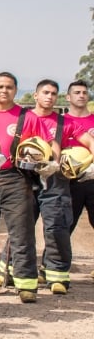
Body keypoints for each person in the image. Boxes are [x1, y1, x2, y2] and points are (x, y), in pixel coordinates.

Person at [0, 72, 54, 303]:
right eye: (0, 86)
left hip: (16, 179)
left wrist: (46, 163)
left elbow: (46, 146)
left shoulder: (28, 118)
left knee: (22, 233)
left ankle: (26, 284)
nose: (4, 91)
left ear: (15, 90)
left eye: (9, 87)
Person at [12, 79, 94, 294]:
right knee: (21, 226)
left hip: (55, 180)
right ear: (35, 96)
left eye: (53, 93)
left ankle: (57, 275)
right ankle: (12, 269)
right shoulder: (22, 119)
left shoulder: (64, 122)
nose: (49, 97)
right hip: (24, 180)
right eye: (45, 93)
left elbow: (89, 141)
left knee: (58, 226)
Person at [63, 80, 94, 236]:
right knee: (63, 228)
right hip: (69, 183)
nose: (81, 95)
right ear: (68, 97)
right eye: (77, 93)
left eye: (84, 92)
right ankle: (52, 261)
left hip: (92, 180)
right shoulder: (61, 123)